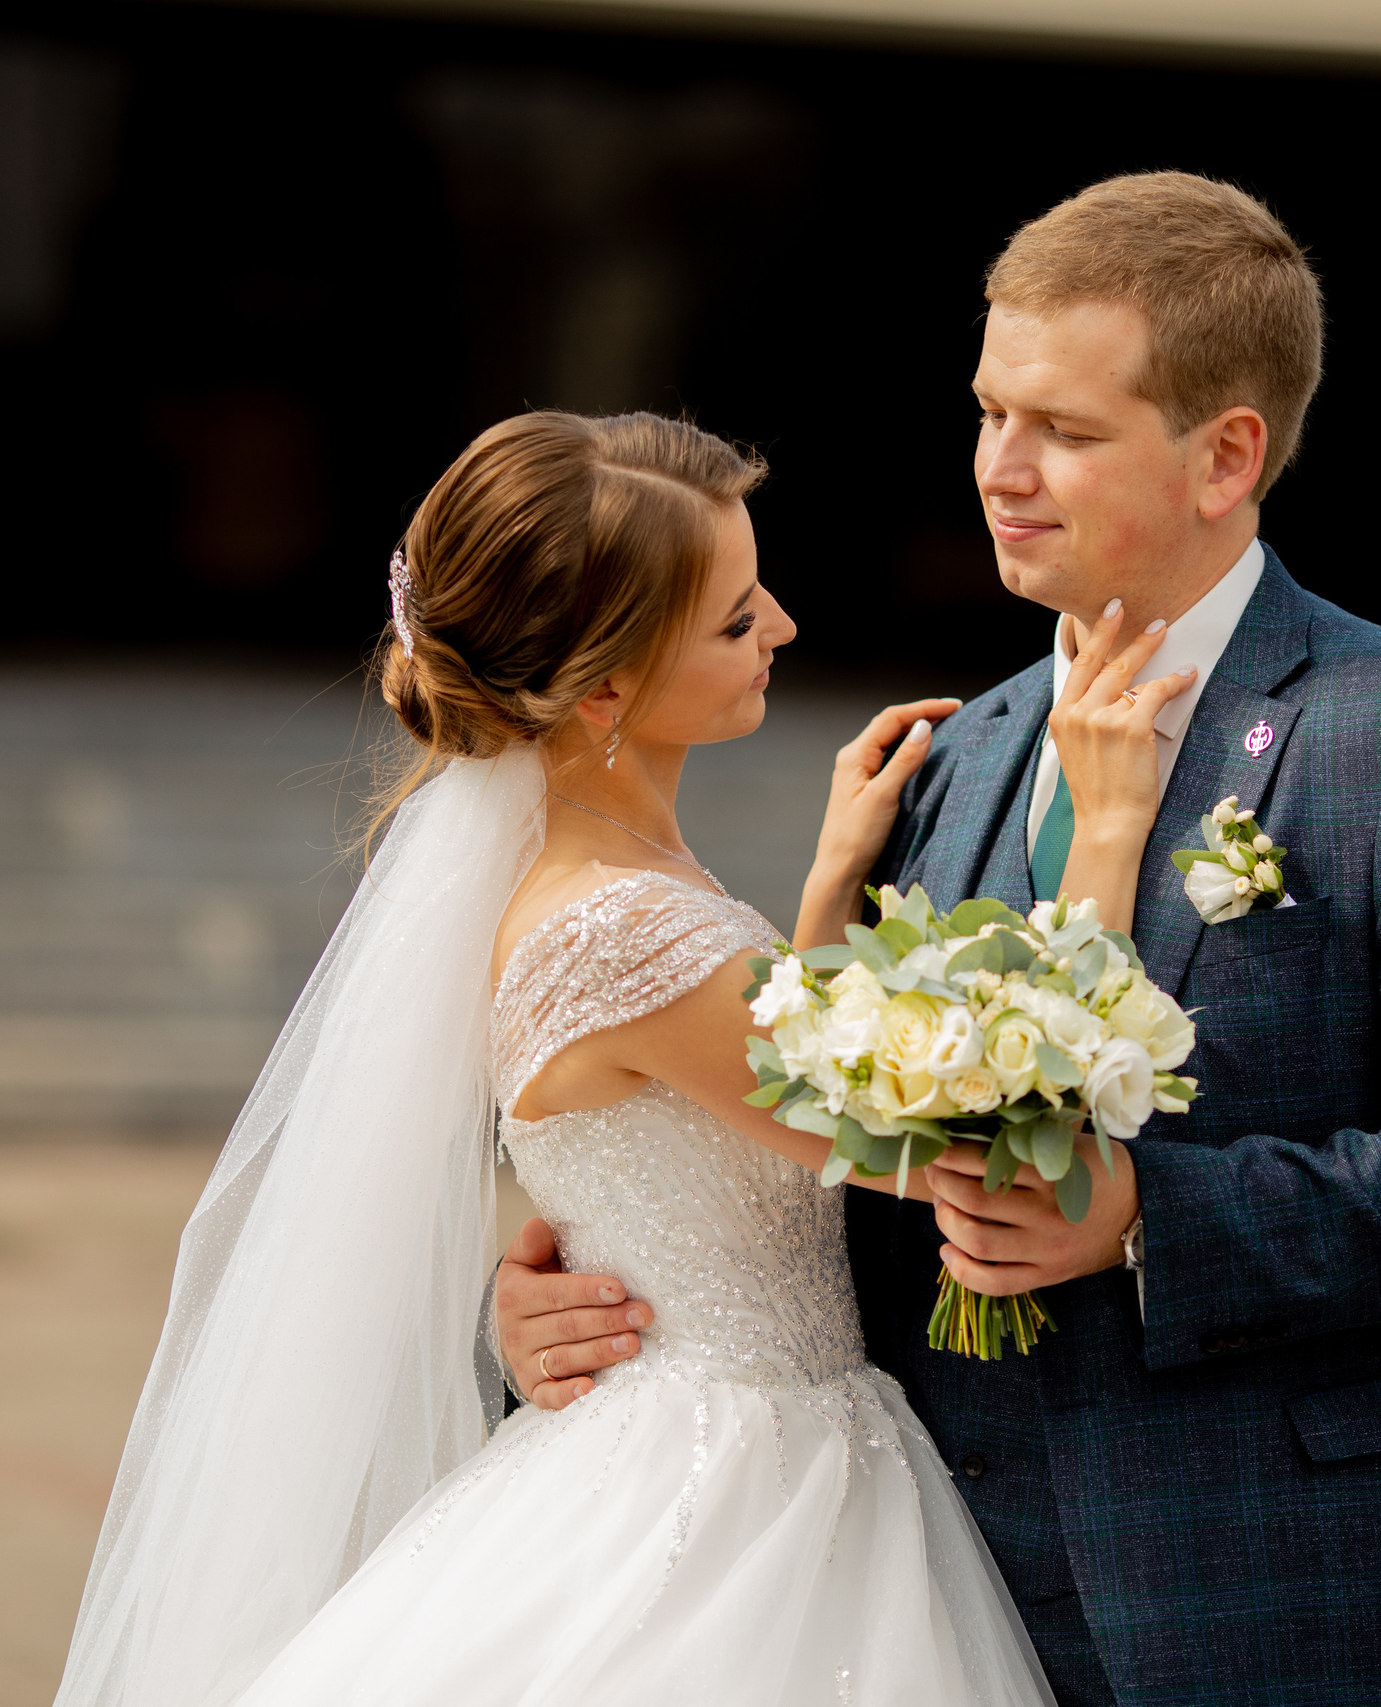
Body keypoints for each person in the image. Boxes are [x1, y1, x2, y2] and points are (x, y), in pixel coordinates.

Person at [494, 172, 1381, 1706]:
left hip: (1291, 1589)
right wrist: (573, 1299)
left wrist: (1151, 1217)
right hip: (923, 1595)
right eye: (988, 413)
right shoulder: (954, 757)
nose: (998, 470)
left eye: (1066, 432)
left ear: (1228, 454)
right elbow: (829, 1151)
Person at [57, 409, 1174, 1706]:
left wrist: (823, 893)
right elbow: (985, 1135)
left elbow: (753, 1112)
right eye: (736, 618)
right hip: (726, 1496)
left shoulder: (613, 890)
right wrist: (1108, 829)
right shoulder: (622, 938)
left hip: (711, 1440)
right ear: (604, 688)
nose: (786, 629)